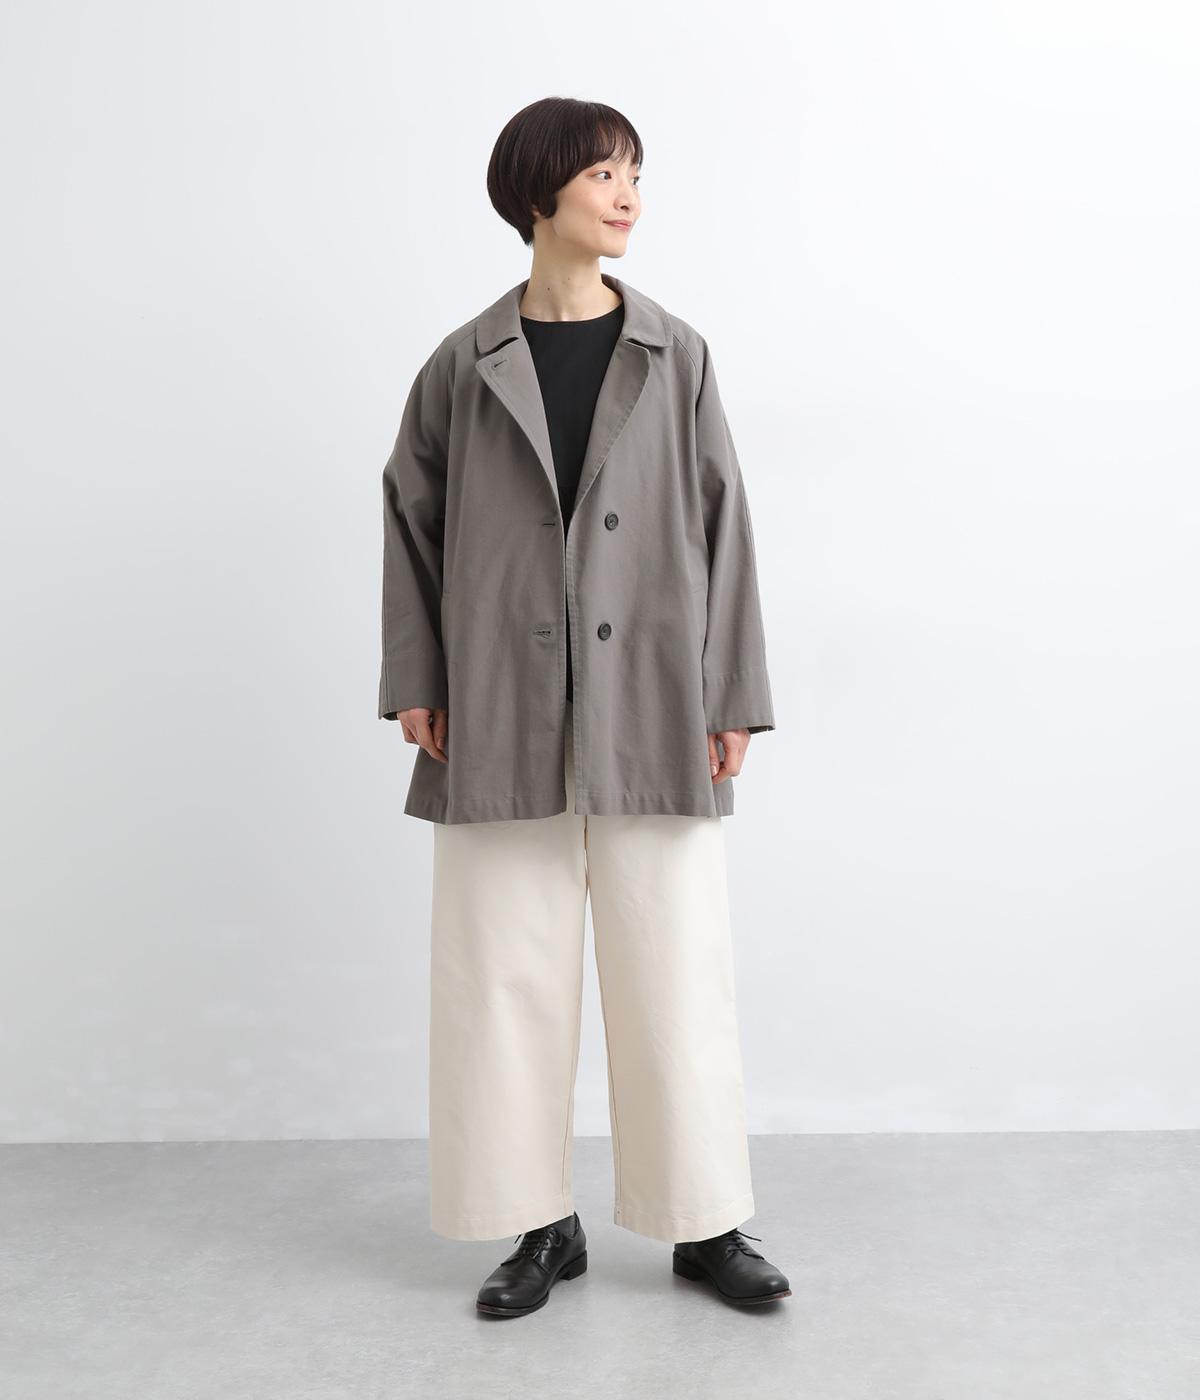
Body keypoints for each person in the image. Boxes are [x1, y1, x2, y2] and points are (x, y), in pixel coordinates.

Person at [378, 96, 789, 1316]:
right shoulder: (462, 365)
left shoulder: (675, 353)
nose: (628, 196)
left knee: (676, 973)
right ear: (538, 193)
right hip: (496, 709)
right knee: (503, 977)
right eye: (605, 173)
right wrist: (416, 679)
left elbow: (725, 521)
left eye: (634, 174)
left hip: (655, 703)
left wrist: (733, 690)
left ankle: (704, 1221)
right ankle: (536, 1222)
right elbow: (408, 518)